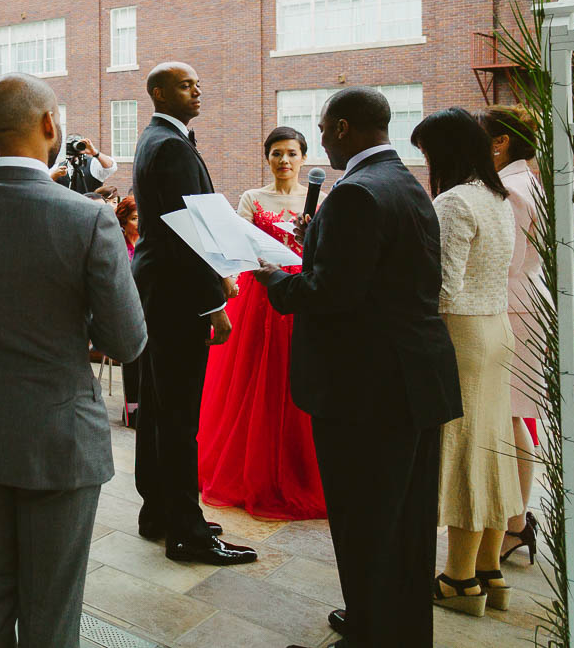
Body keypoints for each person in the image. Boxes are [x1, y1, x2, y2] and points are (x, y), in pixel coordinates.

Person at [0, 73, 146, 646]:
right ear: (50, 126)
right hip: (60, 434)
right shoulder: (89, 218)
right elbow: (128, 339)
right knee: (52, 605)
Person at [257, 87, 461, 648]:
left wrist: (274, 279)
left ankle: (370, 631)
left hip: (367, 386)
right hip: (415, 375)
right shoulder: (404, 182)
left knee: (364, 518)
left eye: (322, 130)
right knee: (406, 524)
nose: (319, 140)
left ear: (343, 127)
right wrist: (318, 246)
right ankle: (394, 624)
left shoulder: (355, 194)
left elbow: (333, 294)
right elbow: (383, 273)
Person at [129, 62, 254, 565]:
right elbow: (192, 232)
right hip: (179, 295)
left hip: (159, 290)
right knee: (180, 416)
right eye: (186, 85)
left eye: (199, 83)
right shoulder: (172, 146)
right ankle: (187, 532)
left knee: (160, 409)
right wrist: (215, 304)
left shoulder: (154, 139)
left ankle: (158, 510)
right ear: (159, 92)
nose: (198, 91)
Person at [412, 108, 518, 617]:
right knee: (494, 450)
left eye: (428, 153)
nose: (427, 163)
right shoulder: (498, 196)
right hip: (498, 329)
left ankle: (458, 579)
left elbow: (443, 288)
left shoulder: (453, 202)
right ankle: (490, 570)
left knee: (466, 454)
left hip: (463, 336)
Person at [196, 126, 327, 520]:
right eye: (276, 153)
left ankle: (303, 469)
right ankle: (254, 467)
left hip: (303, 293)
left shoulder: (321, 199)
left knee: (298, 378)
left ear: (304, 158)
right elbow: (234, 245)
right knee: (256, 380)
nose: (284, 161)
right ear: (266, 158)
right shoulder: (252, 198)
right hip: (260, 295)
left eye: (291, 153)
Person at [480, 103, 547, 562]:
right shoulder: (526, 181)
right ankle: (515, 518)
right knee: (512, 416)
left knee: (509, 417)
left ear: (500, 143)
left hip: (514, 308)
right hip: (525, 304)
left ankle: (517, 523)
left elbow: (508, 260)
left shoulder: (511, 189)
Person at [113, 193, 141, 426]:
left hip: (147, 308)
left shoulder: (147, 243)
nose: (138, 222)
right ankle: (131, 411)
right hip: (126, 310)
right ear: (123, 221)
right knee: (132, 362)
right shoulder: (117, 245)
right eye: (133, 218)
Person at [51, 136, 120, 195]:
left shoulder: (93, 164)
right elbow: (43, 184)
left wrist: (95, 152)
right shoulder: (57, 168)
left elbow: (111, 168)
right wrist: (53, 176)